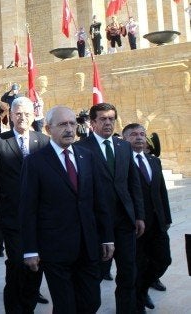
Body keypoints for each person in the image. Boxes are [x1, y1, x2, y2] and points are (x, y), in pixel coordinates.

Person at [20, 106, 114, 313]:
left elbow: (100, 201)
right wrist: (30, 249)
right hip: (55, 249)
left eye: (73, 123)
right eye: (63, 124)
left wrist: (107, 237)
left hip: (88, 246)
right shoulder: (35, 162)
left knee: (91, 302)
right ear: (47, 129)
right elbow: (28, 209)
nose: (70, 129)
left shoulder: (87, 156)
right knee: (65, 306)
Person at [0, 97, 50, 313]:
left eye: (27, 114)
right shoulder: (0, 142)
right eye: (18, 113)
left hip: (40, 218)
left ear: (33, 115)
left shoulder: (44, 141)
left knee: (36, 265)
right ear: (10, 116)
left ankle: (28, 305)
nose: (23, 118)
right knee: (18, 264)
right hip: (11, 216)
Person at [76, 103, 144, 314]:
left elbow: (133, 183)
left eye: (111, 119)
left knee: (128, 273)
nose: (108, 123)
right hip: (96, 224)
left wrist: (139, 215)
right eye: (103, 119)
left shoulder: (124, 146)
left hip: (124, 221)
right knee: (93, 274)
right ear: (93, 122)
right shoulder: (81, 148)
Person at [121, 123, 172, 312]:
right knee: (138, 267)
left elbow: (161, 192)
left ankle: (142, 291)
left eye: (142, 134)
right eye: (133, 134)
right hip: (136, 227)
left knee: (163, 260)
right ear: (124, 140)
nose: (139, 137)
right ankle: (138, 300)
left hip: (158, 223)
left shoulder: (153, 161)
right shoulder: (121, 163)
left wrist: (166, 218)